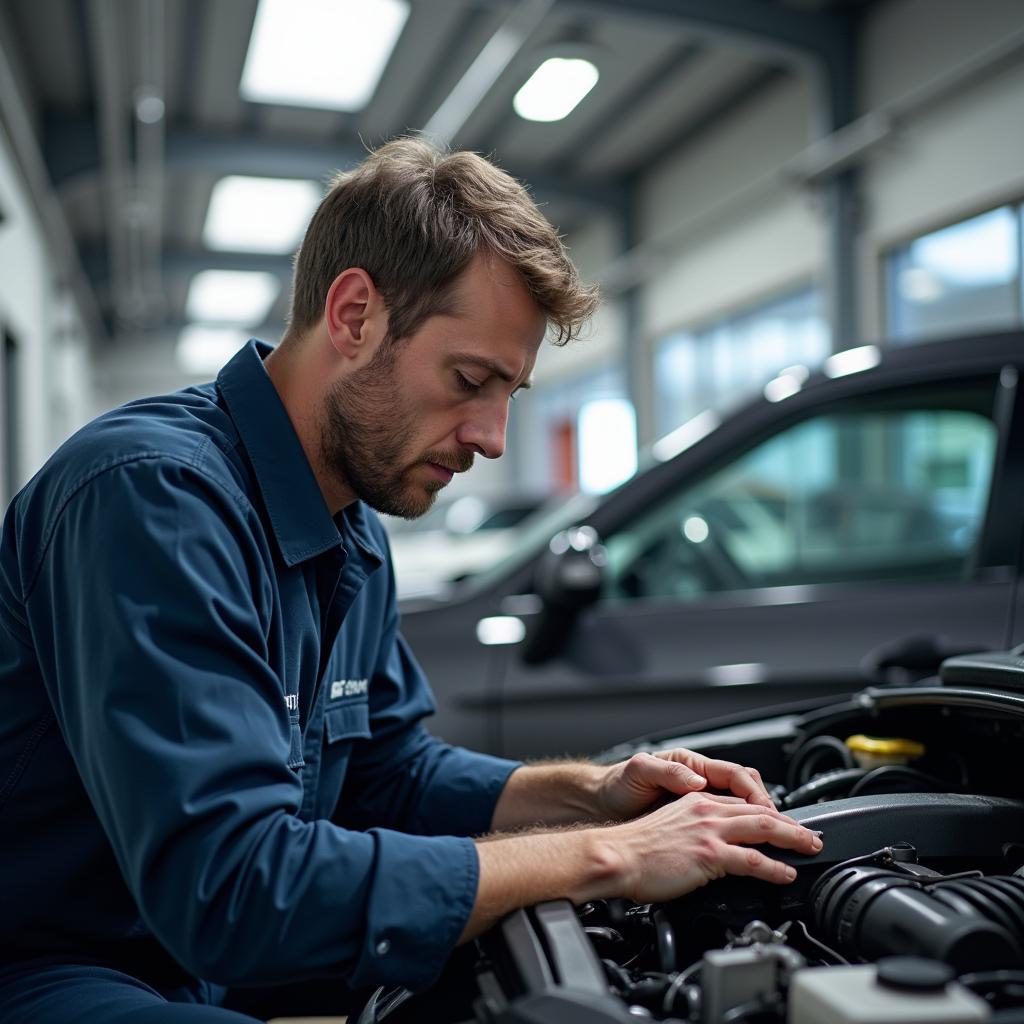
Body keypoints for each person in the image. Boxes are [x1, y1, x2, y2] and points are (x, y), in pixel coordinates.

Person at [0, 138, 822, 1023]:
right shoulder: (151, 498)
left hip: (181, 958)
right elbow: (233, 889)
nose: (494, 436)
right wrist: (607, 855)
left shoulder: (351, 522)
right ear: (353, 315)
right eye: (471, 380)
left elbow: (388, 772)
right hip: (51, 958)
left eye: (510, 392)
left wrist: (591, 791)